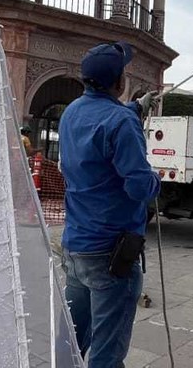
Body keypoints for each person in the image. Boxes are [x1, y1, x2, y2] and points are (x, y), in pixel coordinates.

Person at [59, 41, 160, 367]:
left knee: (71, 341)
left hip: (76, 248)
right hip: (112, 254)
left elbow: (103, 124)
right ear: (119, 81)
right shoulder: (121, 122)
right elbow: (139, 187)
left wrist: (134, 109)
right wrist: (156, 179)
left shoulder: (71, 112)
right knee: (107, 353)